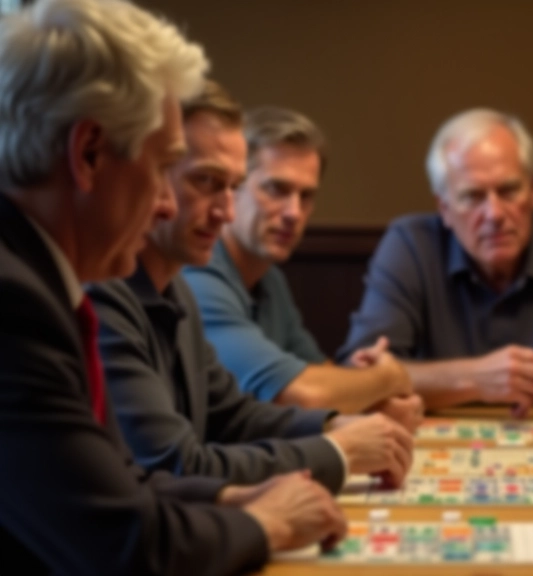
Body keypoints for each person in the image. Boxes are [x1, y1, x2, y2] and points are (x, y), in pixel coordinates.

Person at [0, 1, 346, 573]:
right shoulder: (15, 306)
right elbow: (126, 546)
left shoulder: (40, 276)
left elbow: (122, 486)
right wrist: (266, 522)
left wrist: (229, 498)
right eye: (164, 167)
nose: (165, 202)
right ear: (88, 154)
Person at [89, 80, 414, 490]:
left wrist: (337, 423)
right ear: (153, 174)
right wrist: (341, 449)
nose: (226, 211)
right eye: (205, 181)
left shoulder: (177, 290)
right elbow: (174, 466)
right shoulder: (102, 291)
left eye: (232, 186)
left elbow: (233, 416)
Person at [336, 108, 533, 411]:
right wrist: (475, 379)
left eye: (509, 190)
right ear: (444, 208)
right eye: (472, 196)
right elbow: (361, 372)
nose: (495, 214)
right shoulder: (411, 244)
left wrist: (518, 382)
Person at [182, 107, 422, 430]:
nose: (294, 212)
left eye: (306, 195)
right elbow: (302, 395)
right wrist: (387, 378)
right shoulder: (197, 273)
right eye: (276, 189)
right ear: (234, 186)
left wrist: (368, 389)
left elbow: (320, 371)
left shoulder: (269, 278)